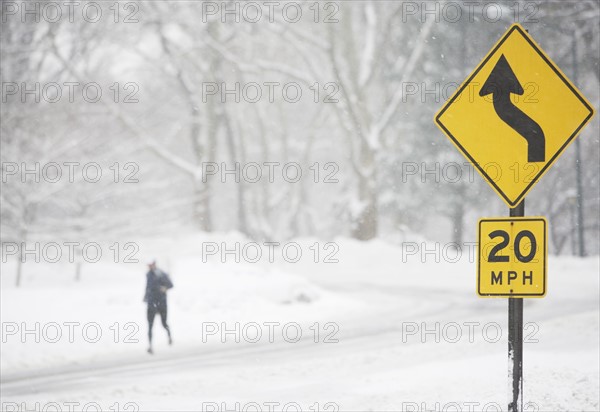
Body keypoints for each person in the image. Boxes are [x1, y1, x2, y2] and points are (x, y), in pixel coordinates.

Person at [143, 260, 173, 354]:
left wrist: (165, 288)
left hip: (161, 302)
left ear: (154, 264)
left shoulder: (161, 273)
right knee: (150, 325)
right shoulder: (148, 275)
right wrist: (146, 296)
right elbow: (148, 287)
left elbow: (170, 284)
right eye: (149, 265)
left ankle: (169, 336)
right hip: (151, 303)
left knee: (164, 323)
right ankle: (150, 346)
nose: (150, 266)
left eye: (151, 264)